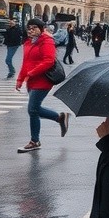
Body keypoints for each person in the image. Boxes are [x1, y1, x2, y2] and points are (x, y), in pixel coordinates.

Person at [15, 18, 69, 152]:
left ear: (41, 29)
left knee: (32, 110)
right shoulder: (28, 42)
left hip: (43, 80)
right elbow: (25, 63)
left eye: (34, 27)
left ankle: (35, 141)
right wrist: (20, 79)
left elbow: (48, 61)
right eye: (29, 28)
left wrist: (31, 73)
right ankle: (60, 118)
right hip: (31, 80)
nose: (31, 30)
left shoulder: (47, 41)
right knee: (34, 109)